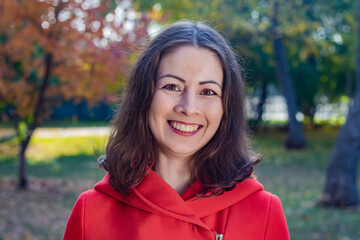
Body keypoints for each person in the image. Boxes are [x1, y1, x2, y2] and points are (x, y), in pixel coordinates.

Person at [63, 20, 290, 240]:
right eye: (172, 86)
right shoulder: (91, 213)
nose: (189, 108)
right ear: (145, 95)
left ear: (226, 107)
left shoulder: (263, 212)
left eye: (208, 91)